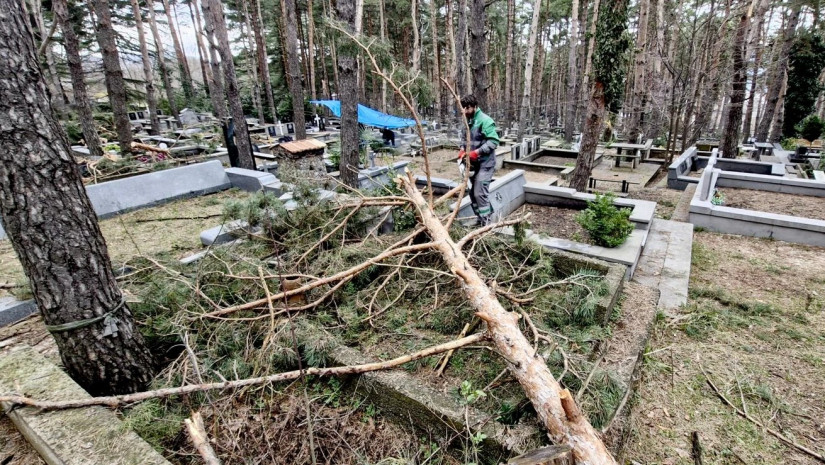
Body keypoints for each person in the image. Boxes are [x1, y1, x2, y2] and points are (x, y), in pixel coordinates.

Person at [458, 94, 500, 226]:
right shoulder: (467, 121)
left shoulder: (485, 120)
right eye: (463, 108)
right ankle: (480, 218)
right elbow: (464, 139)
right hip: (472, 165)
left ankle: (486, 223)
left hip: (485, 164)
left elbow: (493, 141)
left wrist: (477, 152)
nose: (465, 111)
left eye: (468, 108)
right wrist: (462, 149)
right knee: (472, 193)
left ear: (475, 106)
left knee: (479, 193)